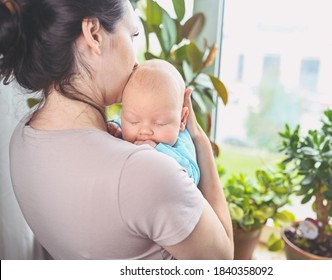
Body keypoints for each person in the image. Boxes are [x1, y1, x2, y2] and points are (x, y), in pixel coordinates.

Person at [0, 0, 233, 260]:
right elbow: (223, 260)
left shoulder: (21, 138)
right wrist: (198, 138)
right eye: (132, 35)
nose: (136, 61)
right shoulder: (146, 172)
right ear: (94, 34)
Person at [118, 59, 200, 185]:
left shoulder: (181, 142)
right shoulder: (125, 127)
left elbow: (191, 175)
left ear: (182, 119)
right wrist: (115, 126)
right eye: (133, 121)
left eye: (160, 123)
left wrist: (158, 150)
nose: (144, 131)